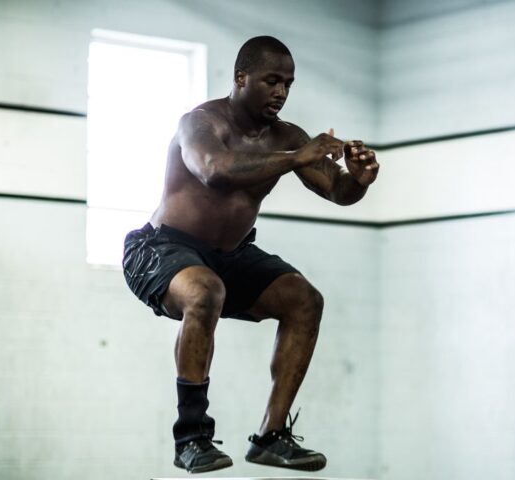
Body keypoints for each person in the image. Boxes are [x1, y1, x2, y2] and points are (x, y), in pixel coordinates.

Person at [122, 35, 379, 473]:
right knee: (205, 291)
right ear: (241, 78)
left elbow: (337, 191)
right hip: (161, 247)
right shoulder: (201, 122)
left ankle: (271, 437)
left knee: (304, 300)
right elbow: (214, 171)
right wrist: (297, 156)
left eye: (288, 84)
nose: (280, 92)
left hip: (229, 254)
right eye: (271, 81)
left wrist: (359, 178)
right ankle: (191, 437)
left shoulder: (286, 136)